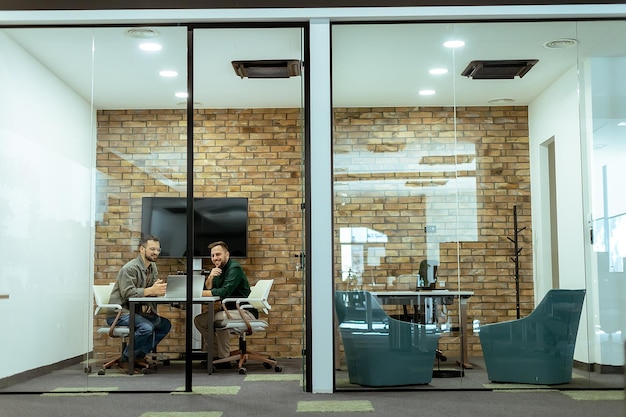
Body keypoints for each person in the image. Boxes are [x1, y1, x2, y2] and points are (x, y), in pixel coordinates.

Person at [107, 234, 171, 373]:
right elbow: (128, 294)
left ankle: (138, 355)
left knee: (164, 324)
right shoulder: (129, 269)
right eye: (152, 249)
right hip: (120, 313)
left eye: (158, 250)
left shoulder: (152, 267)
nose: (156, 253)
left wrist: (157, 290)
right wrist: (151, 290)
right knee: (146, 327)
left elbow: (150, 290)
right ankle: (126, 359)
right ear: (142, 249)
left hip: (136, 312)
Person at [194, 241, 257, 368]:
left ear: (227, 255)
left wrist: (200, 293)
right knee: (200, 320)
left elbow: (224, 292)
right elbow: (212, 288)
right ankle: (215, 354)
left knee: (216, 318)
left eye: (218, 254)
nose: (215, 258)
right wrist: (211, 277)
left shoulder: (234, 268)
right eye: (212, 256)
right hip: (229, 310)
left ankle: (224, 358)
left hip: (244, 312)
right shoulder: (219, 270)